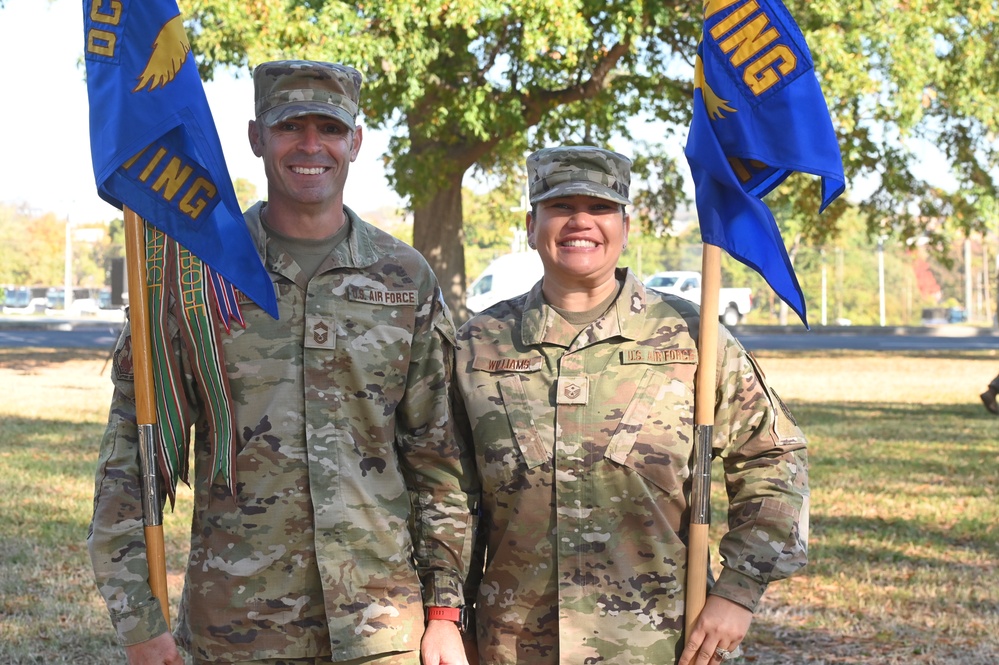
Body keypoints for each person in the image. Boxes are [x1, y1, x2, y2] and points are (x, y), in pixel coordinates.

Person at [88, 60, 477, 665]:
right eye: (290, 126)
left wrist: (446, 613)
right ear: (255, 138)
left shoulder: (405, 278)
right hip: (239, 626)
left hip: (381, 627)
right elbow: (131, 460)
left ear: (356, 141)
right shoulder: (194, 277)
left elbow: (436, 461)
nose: (311, 145)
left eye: (329, 127)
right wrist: (139, 621)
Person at [452, 146, 810, 664]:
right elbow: (445, 489)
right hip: (514, 645)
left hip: (661, 644)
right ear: (532, 225)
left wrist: (738, 590)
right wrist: (447, 615)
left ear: (625, 223)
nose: (581, 222)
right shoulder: (481, 344)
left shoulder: (693, 336)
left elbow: (774, 458)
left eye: (599, 208)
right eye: (560, 207)